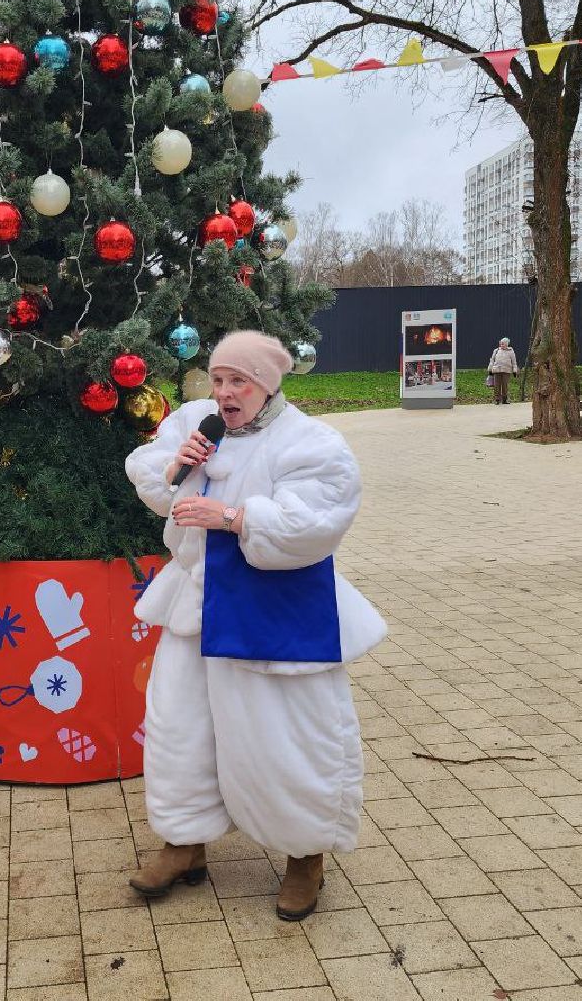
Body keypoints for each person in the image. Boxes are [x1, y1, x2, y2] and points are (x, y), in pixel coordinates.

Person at [123, 330, 387, 922]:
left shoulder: (312, 442)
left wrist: (237, 517)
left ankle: (305, 858)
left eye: (237, 381)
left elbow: (319, 519)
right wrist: (176, 465)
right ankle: (184, 844)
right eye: (217, 379)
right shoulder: (198, 421)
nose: (224, 392)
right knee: (179, 728)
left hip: (275, 611)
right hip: (195, 604)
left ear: (268, 385)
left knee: (285, 738)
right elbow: (147, 471)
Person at [487, 338, 519, 404]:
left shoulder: (511, 351)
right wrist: (490, 369)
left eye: (503, 343)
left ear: (507, 344)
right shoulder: (496, 350)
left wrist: (514, 371)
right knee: (496, 385)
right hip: (496, 370)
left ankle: (505, 399)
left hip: (506, 371)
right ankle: (497, 399)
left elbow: (514, 362)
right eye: (501, 343)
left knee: (505, 385)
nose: (501, 344)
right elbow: (492, 360)